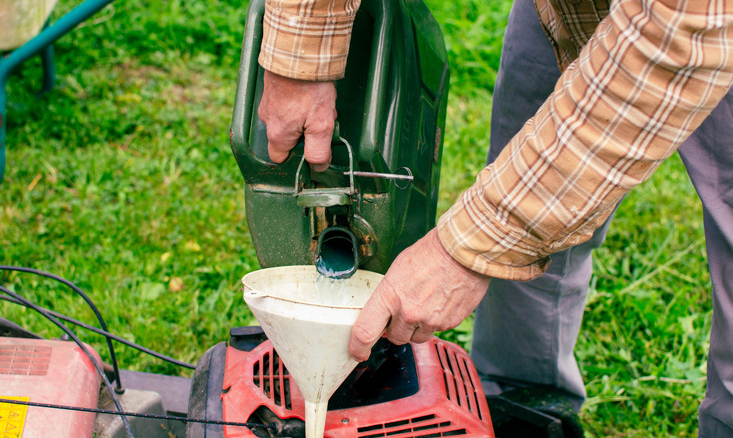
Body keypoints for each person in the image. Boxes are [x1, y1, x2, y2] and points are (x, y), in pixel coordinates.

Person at [256, 0, 733, 434]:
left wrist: (470, 248)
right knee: (524, 181)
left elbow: (674, 42)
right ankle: (522, 401)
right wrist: (301, 55)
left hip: (692, 27)